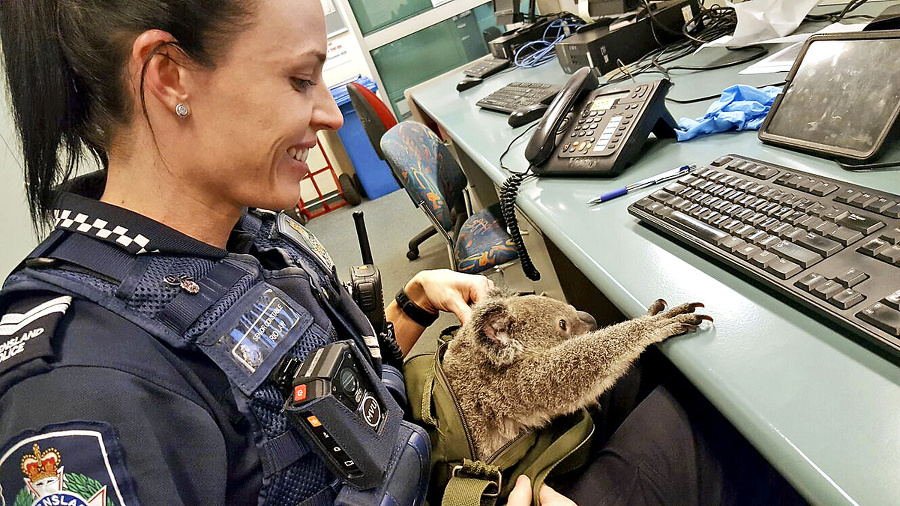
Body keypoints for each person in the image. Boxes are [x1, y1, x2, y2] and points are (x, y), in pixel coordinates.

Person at [0, 1, 807, 505]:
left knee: (662, 365)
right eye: (298, 80)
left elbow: (306, 407)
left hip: (447, 462)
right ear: (168, 74)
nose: (327, 113)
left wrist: (409, 312)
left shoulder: (243, 236)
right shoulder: (84, 388)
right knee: (719, 425)